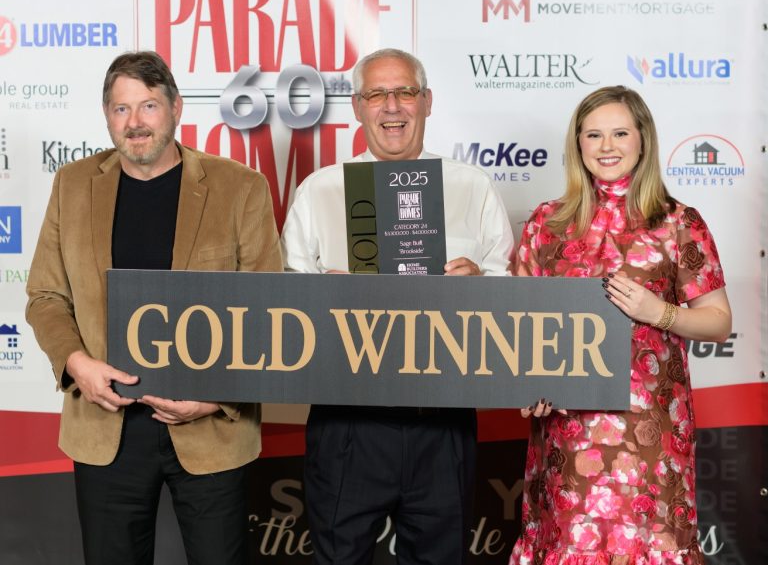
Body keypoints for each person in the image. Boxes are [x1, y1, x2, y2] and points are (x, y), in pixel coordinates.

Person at [26, 51, 283, 565]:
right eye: (121, 109)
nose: (136, 123)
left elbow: (269, 311)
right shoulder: (73, 185)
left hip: (210, 428)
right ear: (106, 117)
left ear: (176, 108)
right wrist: (79, 366)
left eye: (148, 106)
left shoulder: (239, 187)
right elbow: (46, 297)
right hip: (105, 428)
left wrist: (214, 396)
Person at [281, 48, 514, 565]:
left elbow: (509, 299)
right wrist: (322, 297)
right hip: (348, 420)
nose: (392, 106)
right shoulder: (320, 190)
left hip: (443, 418)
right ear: (358, 108)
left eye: (405, 92)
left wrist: (480, 284)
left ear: (427, 102)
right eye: (376, 95)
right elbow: (286, 305)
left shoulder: (471, 186)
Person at [509, 86, 731, 565]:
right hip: (567, 434)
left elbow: (718, 322)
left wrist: (661, 313)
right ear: (578, 144)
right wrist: (532, 382)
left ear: (643, 140)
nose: (606, 146)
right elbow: (520, 327)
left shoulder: (678, 223)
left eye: (619, 133)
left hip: (651, 431)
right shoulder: (545, 224)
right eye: (593, 134)